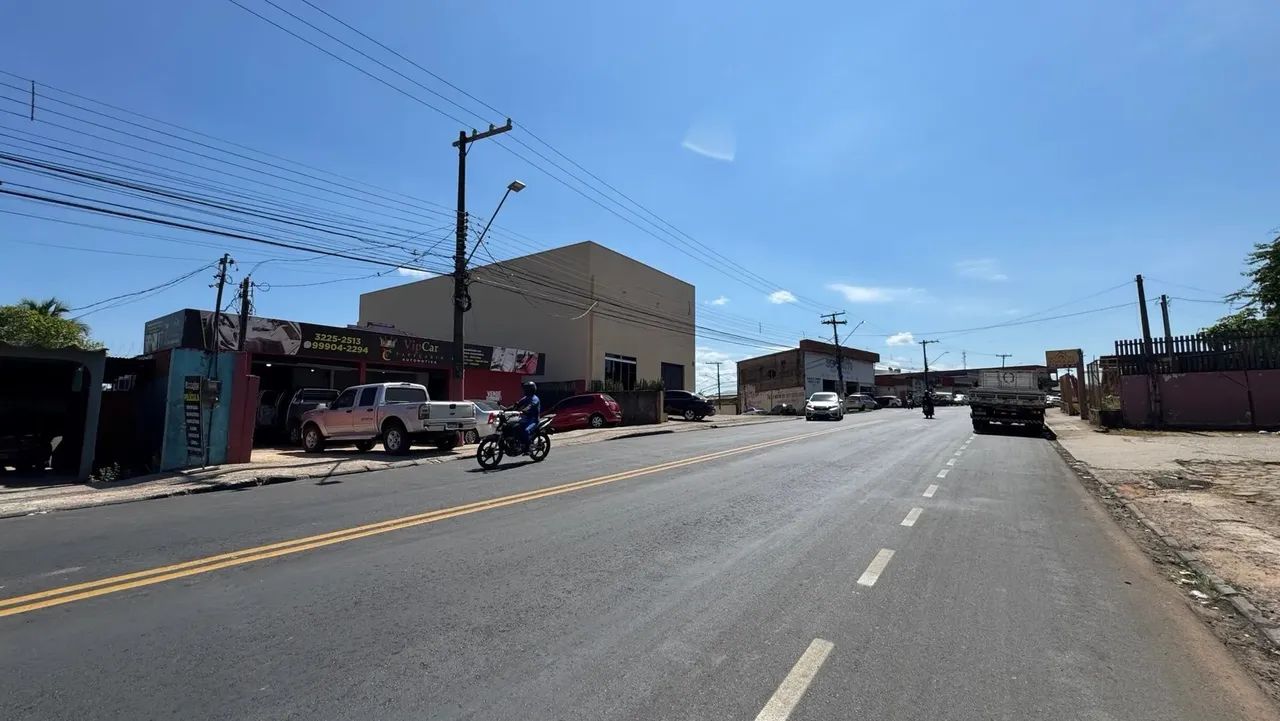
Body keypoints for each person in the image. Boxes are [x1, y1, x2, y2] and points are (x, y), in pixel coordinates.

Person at [510, 381, 541, 452]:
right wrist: (506, 409)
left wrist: (523, 410)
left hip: (533, 420)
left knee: (526, 431)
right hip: (525, 419)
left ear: (531, 390)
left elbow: (530, 406)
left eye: (526, 389)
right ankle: (518, 444)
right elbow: (517, 405)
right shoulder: (526, 398)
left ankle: (528, 448)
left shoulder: (535, 399)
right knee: (514, 427)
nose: (525, 390)